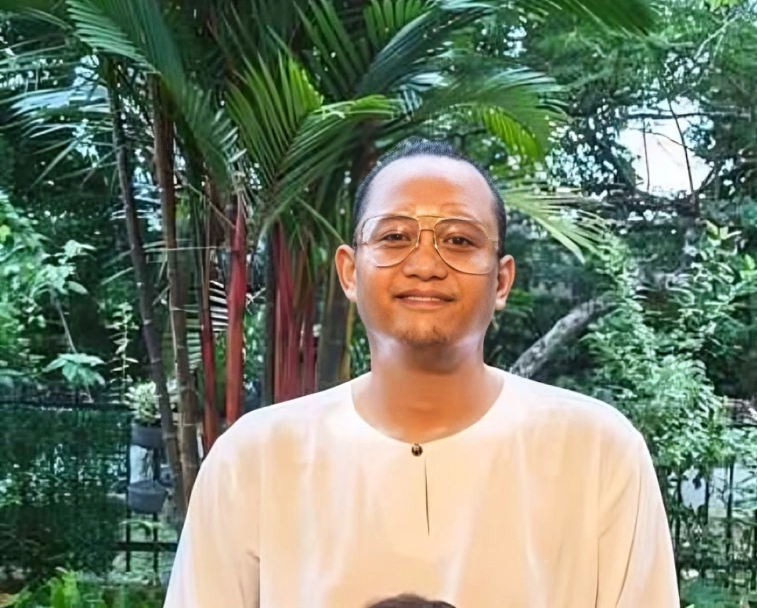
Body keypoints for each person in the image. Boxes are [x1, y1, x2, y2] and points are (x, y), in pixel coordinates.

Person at [164, 138, 680, 608]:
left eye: (459, 241)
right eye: (395, 236)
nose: (426, 265)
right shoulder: (254, 459)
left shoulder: (596, 453)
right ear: (350, 271)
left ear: (501, 281)